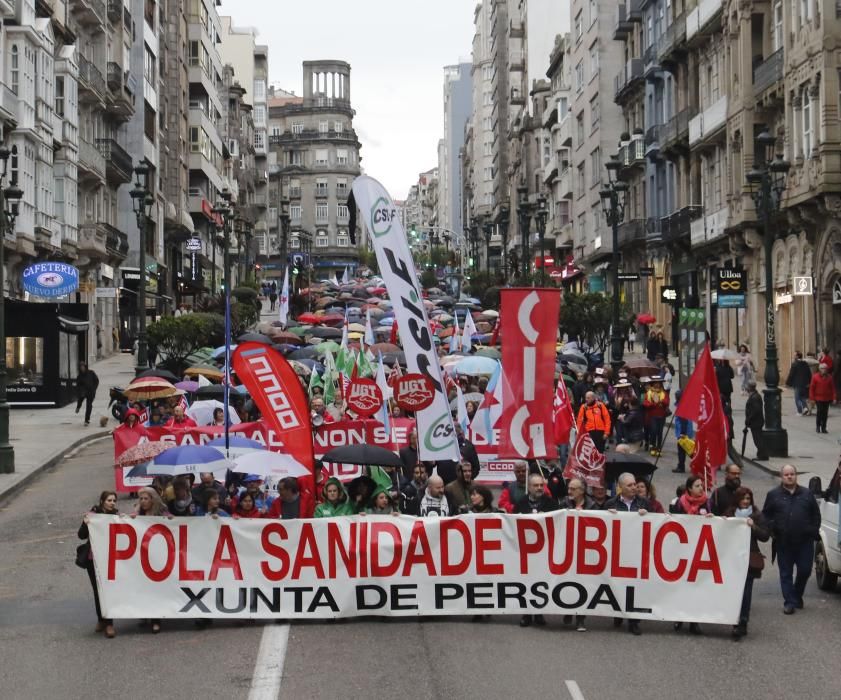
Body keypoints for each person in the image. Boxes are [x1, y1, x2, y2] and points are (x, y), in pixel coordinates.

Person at [762, 465, 821, 614]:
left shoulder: (807, 494)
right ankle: (789, 602)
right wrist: (772, 527)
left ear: (796, 475)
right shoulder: (773, 495)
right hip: (783, 542)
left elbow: (816, 515)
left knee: (805, 570)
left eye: (792, 474)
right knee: (785, 573)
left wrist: (812, 530)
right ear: (781, 477)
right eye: (786, 474)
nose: (789, 477)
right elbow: (765, 515)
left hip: (804, 542)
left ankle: (796, 594)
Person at [605, 472, 648, 636]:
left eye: (635, 484)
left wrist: (648, 515)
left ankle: (634, 621)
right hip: (618, 551)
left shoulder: (644, 503)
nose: (634, 487)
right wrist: (609, 516)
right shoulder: (611, 503)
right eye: (629, 485)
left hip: (637, 551)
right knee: (618, 584)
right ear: (620, 487)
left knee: (635, 586)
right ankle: (618, 613)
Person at [725, 487, 770, 640]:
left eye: (748, 499)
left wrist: (753, 527)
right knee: (732, 592)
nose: (745, 502)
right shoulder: (729, 514)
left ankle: (741, 622)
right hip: (732, 558)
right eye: (743, 499)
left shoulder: (757, 515)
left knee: (745, 592)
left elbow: (765, 536)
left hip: (748, 559)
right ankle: (732, 618)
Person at [79, 491, 118, 638]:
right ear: (102, 501)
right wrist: (86, 523)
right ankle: (101, 620)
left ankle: (109, 624)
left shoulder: (116, 516)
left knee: (107, 591)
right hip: (93, 559)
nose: (112, 503)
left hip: (110, 560)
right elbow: (81, 535)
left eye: (114, 500)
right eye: (109, 500)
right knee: (97, 591)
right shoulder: (93, 515)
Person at [558, 478, 592, 631]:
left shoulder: (592, 505)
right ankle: (567, 610)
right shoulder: (563, 502)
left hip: (586, 551)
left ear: (582, 491)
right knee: (567, 581)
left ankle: (580, 619)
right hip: (567, 549)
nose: (569, 491)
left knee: (583, 584)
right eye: (569, 488)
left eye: (573, 489)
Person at [642, 376, 669, 456]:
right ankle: (653, 446)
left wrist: (661, 401)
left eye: (658, 383)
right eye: (655, 383)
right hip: (652, 416)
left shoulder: (664, 393)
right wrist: (653, 404)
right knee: (653, 431)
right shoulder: (649, 393)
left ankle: (659, 447)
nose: (657, 385)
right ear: (653, 384)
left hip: (661, 415)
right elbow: (645, 402)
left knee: (659, 432)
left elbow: (667, 402)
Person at [809, 362, 835, 434]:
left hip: (827, 398)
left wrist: (834, 397)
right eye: (822, 368)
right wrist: (812, 398)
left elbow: (832, 388)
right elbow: (812, 388)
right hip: (818, 398)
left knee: (825, 413)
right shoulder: (815, 377)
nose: (824, 370)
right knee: (819, 412)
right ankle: (818, 426)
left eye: (825, 369)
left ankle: (824, 428)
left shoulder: (829, 377)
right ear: (820, 369)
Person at [745, 381, 768, 460]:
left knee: (758, 439)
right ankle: (761, 454)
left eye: (747, 387)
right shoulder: (754, 396)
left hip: (756, 422)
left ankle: (763, 455)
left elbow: (756, 410)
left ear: (749, 388)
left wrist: (749, 419)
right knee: (757, 438)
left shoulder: (755, 397)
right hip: (756, 421)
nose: (746, 388)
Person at [786, 351, 814, 416]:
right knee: (803, 397)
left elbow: (791, 374)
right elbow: (809, 373)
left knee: (797, 398)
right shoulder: (805, 363)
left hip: (797, 384)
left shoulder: (794, 364)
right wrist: (809, 382)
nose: (793, 356)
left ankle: (799, 411)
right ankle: (805, 408)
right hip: (805, 383)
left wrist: (788, 383)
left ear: (797, 356)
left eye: (794, 355)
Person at [673, 389, 694, 473]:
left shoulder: (682, 407)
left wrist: (682, 433)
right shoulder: (685, 405)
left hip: (683, 433)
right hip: (686, 432)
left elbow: (683, 421)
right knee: (688, 450)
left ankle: (681, 466)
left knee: (684, 451)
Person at [75, 362, 99, 426]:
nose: (82, 368)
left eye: (83, 367)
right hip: (83, 392)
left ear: (85, 367)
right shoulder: (79, 376)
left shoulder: (91, 373)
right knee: (80, 400)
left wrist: (94, 388)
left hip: (91, 392)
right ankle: (78, 407)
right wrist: (80, 391)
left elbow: (96, 380)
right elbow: (78, 385)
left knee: (89, 405)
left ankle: (87, 420)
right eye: (81, 367)